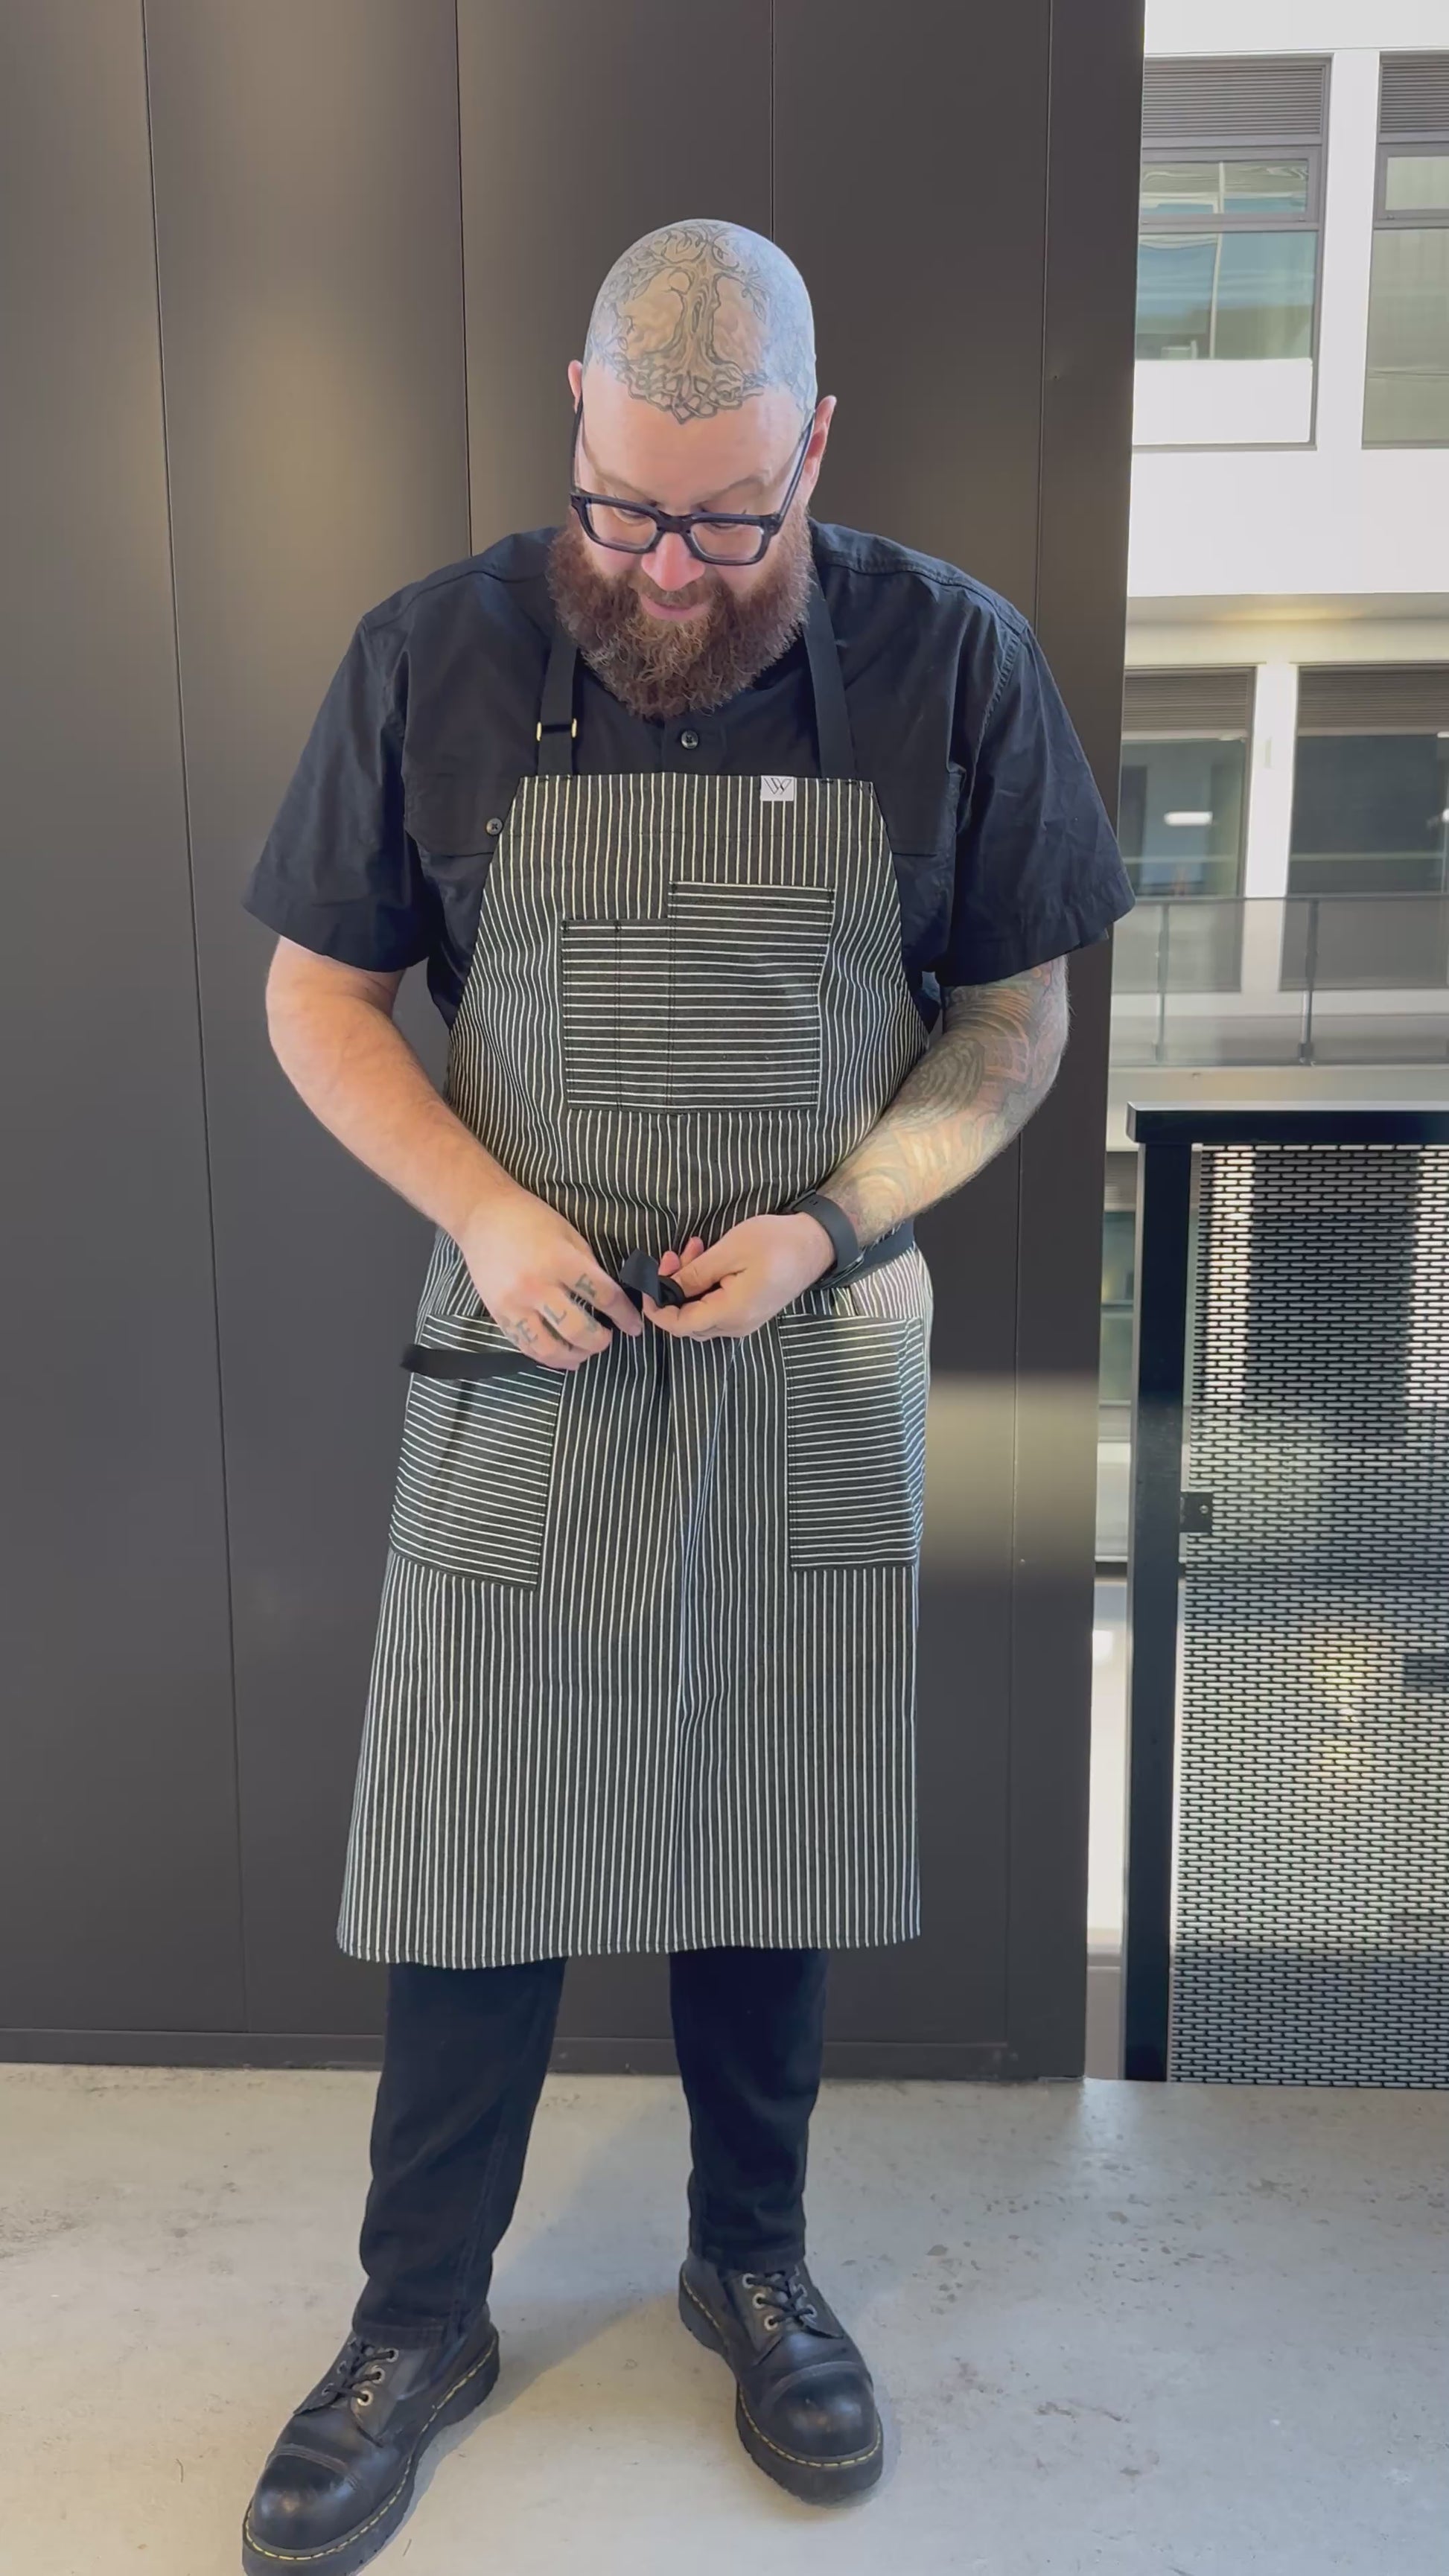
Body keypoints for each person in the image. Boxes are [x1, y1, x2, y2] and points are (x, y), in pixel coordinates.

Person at [237, 217, 1134, 2572]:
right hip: (530, 1341)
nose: (666, 565)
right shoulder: (428, 656)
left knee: (773, 1811)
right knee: (472, 1849)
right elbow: (320, 997)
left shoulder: (950, 662)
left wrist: (834, 1220)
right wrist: (485, 1210)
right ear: (575, 416)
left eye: (729, 522)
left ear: (816, 447)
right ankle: (416, 2320)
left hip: (804, 1345)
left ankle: (753, 2262)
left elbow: (1016, 1019)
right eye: (623, 507)